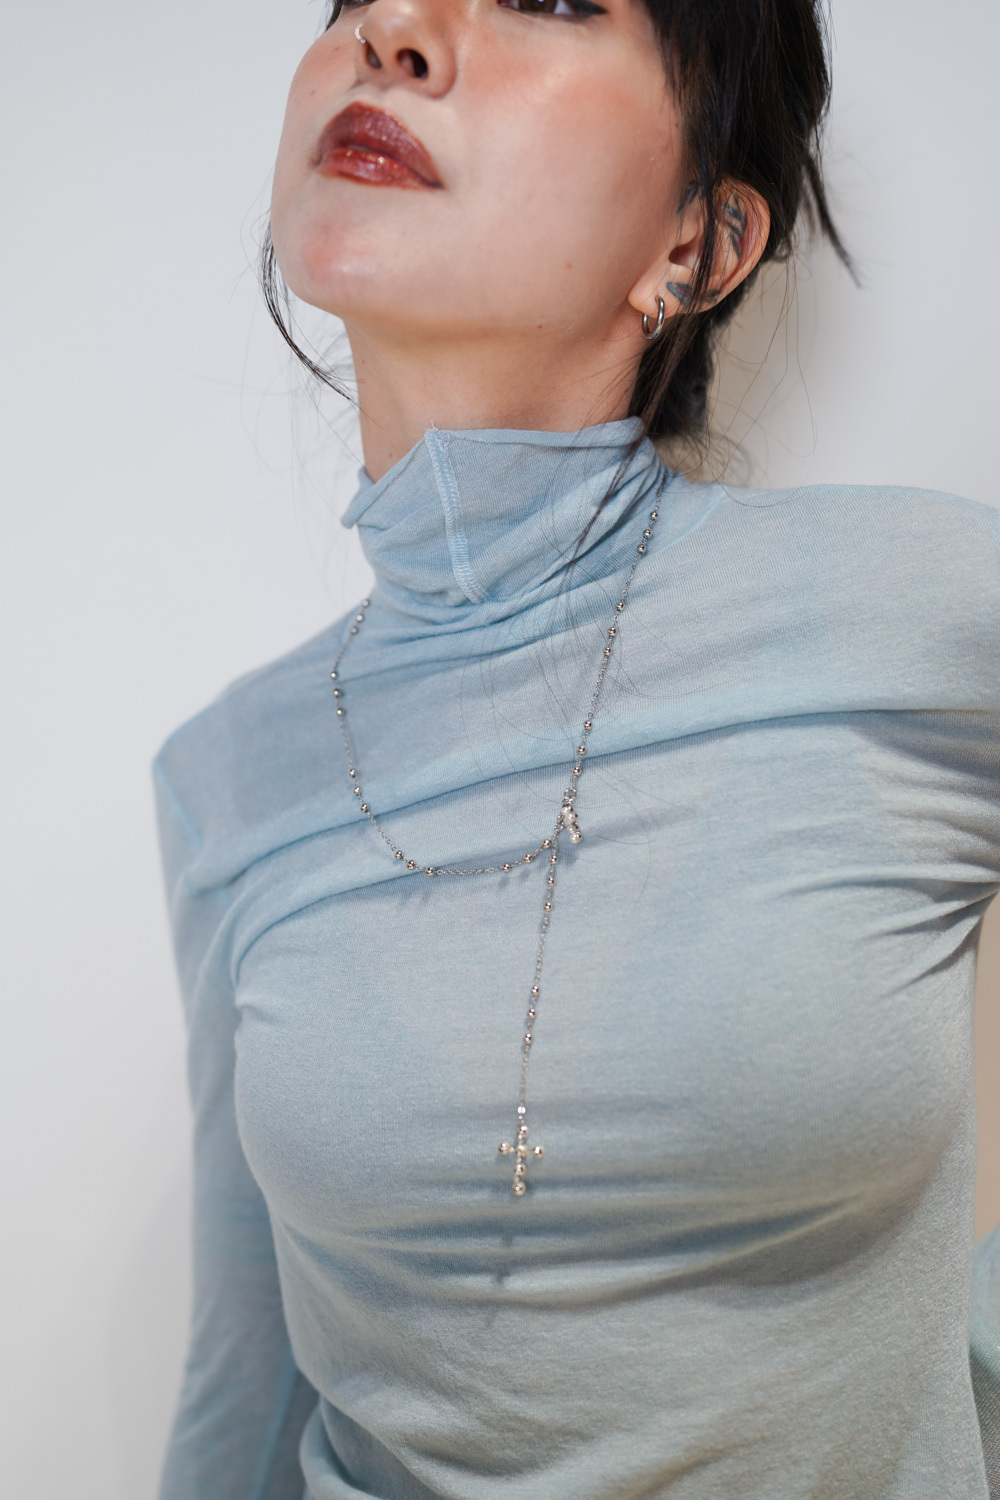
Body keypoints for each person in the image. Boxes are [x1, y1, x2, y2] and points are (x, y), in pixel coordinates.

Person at [154, 0, 1000, 1495]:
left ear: (702, 242)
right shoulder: (229, 773)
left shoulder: (929, 611)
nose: (394, 30)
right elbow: (247, 1372)